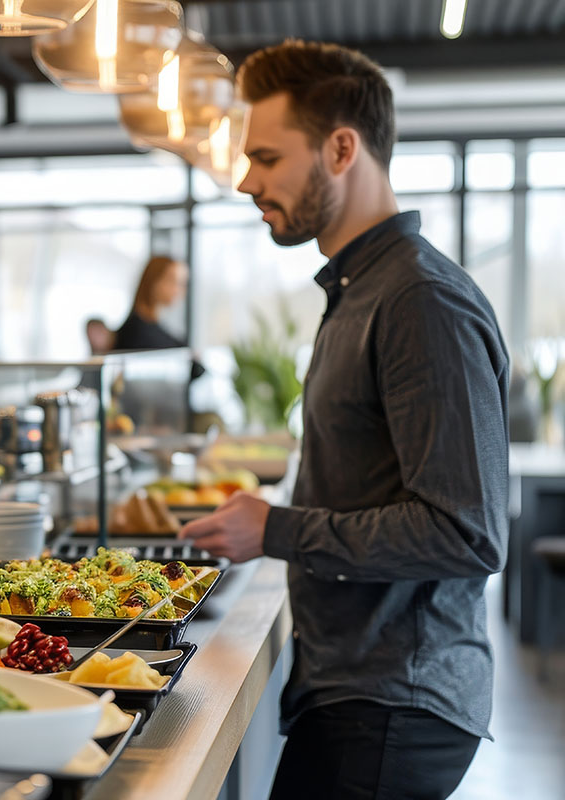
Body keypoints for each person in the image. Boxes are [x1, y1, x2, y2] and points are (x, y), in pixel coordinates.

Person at [179, 40, 508, 800]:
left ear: (340, 147)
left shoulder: (419, 301)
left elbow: (466, 531)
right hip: (360, 692)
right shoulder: (361, 291)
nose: (244, 181)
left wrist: (277, 529)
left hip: (395, 702)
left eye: (265, 158)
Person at [112, 256, 190, 351]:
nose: (179, 290)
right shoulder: (137, 332)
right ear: (154, 281)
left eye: (182, 284)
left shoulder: (153, 325)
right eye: (172, 281)